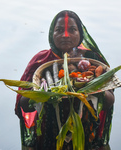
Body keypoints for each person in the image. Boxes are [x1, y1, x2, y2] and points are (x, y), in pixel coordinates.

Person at [15, 10, 114, 150]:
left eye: (72, 30)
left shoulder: (93, 60)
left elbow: (108, 103)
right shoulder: (41, 62)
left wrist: (91, 87)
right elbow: (23, 105)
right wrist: (42, 92)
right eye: (59, 30)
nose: (65, 35)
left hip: (85, 133)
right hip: (48, 134)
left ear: (80, 33)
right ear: (52, 34)